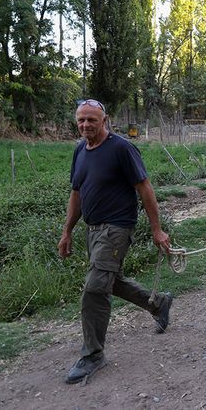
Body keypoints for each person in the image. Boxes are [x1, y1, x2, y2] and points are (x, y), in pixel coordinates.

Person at [58, 99, 174, 384]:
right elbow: (77, 193)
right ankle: (158, 304)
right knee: (110, 279)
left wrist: (157, 230)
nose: (86, 125)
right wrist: (67, 231)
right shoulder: (79, 151)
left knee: (95, 289)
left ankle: (93, 354)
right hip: (93, 230)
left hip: (117, 228)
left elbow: (145, 188)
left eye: (91, 120)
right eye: (81, 120)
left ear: (105, 120)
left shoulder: (122, 148)